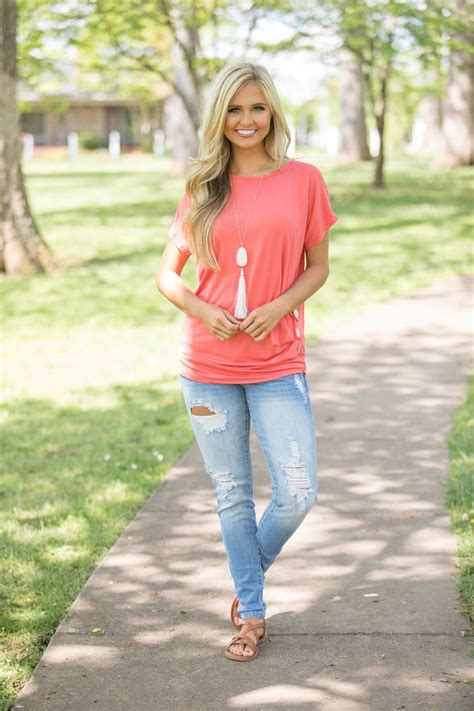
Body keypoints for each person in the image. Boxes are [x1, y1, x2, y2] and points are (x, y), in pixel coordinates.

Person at [155, 60, 338, 662]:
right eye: (234, 109)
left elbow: (318, 266)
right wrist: (204, 313)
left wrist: (278, 305)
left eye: (257, 108)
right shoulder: (201, 186)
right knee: (231, 491)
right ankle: (252, 615)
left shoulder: (305, 179)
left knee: (298, 490)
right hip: (206, 365)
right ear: (219, 117)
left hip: (278, 359)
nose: (246, 120)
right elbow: (166, 275)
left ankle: (245, 579)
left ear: (274, 113)